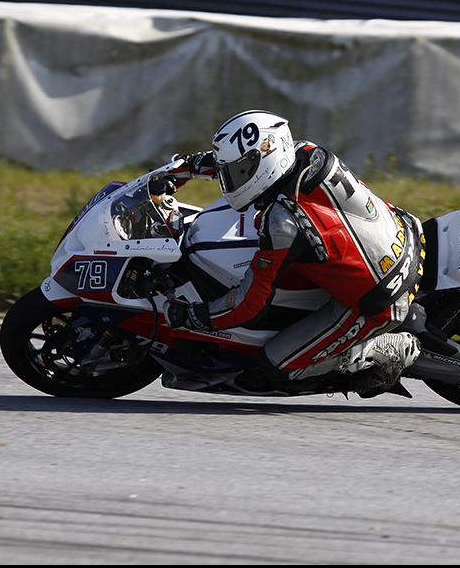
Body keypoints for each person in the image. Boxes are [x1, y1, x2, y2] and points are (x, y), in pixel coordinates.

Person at [161, 111, 424, 398]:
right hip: (402, 231)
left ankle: (383, 349)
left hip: (381, 299)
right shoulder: (306, 152)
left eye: (240, 172)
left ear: (265, 162)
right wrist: (189, 166)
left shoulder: (284, 222)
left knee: (277, 363)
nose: (232, 183)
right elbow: (251, 166)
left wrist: (194, 316)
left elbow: (250, 303)